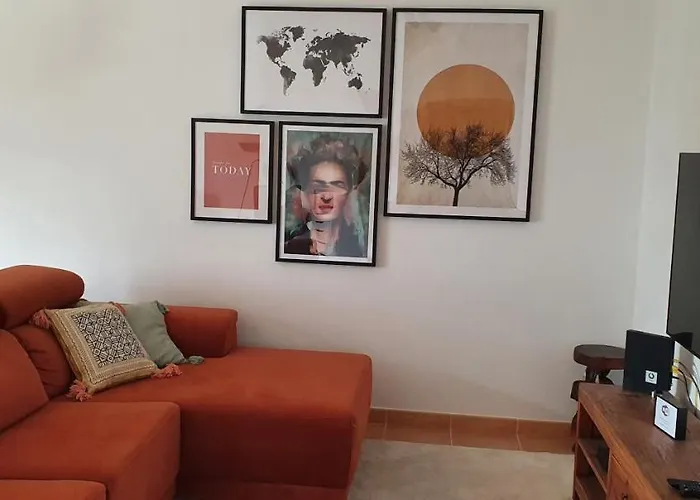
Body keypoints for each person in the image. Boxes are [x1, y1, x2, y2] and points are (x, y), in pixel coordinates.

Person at [284, 134, 368, 257]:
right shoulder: (291, 247)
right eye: (318, 187)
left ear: (349, 192)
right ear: (305, 192)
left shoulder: (360, 248)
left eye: (337, 186)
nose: (326, 197)